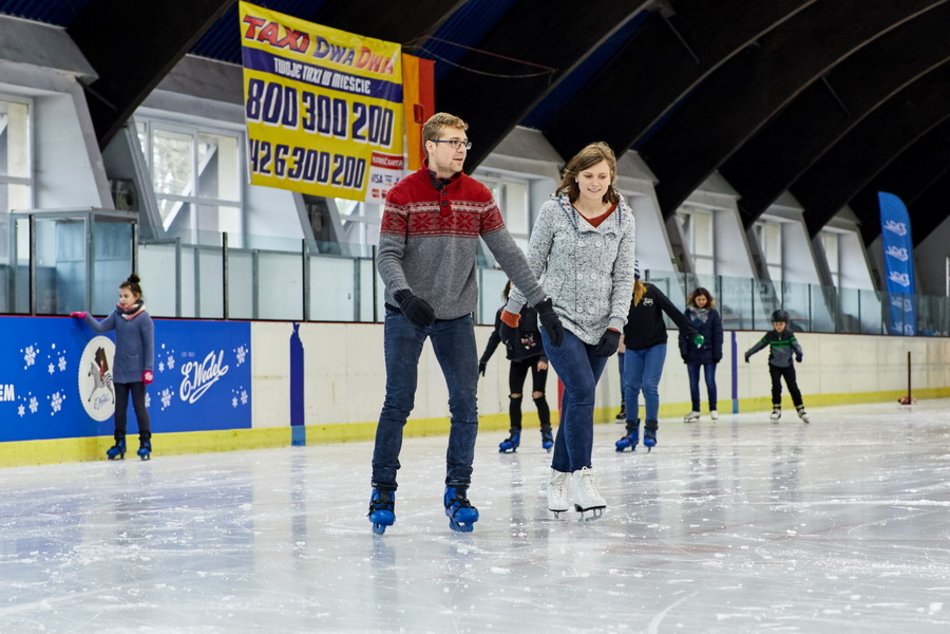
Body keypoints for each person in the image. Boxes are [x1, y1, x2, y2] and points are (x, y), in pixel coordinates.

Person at [369, 112, 564, 535]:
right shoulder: (403, 194)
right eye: (453, 142)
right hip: (406, 313)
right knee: (398, 401)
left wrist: (542, 304)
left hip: (455, 315)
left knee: (465, 404)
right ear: (431, 146)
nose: (461, 149)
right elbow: (386, 255)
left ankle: (457, 491)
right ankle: (382, 491)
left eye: (464, 142)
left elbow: (510, 254)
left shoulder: (477, 195)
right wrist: (405, 296)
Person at [503, 141, 636, 519]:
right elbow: (532, 264)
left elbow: (624, 275)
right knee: (580, 391)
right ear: (574, 175)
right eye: (588, 175)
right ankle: (583, 475)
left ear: (611, 178)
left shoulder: (623, 217)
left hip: (602, 326)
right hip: (558, 320)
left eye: (602, 176)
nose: (595, 183)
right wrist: (512, 312)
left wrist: (616, 324)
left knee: (579, 401)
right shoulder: (554, 212)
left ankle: (557, 477)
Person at [615, 265, 703, 453]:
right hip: (633, 347)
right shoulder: (618, 299)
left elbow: (673, 312)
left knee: (649, 386)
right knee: (629, 388)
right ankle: (631, 433)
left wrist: (692, 333)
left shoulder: (650, 292)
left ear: (636, 277)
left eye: (629, 277)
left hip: (655, 345)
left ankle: (650, 431)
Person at [70, 274, 155, 460]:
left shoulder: (144, 319)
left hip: (138, 373)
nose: (122, 300)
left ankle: (145, 443)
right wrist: (86, 317)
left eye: (126, 296)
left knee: (139, 407)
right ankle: (119, 443)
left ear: (136, 296)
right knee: (120, 409)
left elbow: (149, 345)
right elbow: (100, 328)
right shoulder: (117, 315)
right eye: (120, 296)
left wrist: (148, 369)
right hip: (120, 371)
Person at [478, 281, 553, 454]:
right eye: (512, 286)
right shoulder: (504, 312)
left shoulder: (535, 310)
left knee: (538, 394)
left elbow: (546, 334)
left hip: (537, 357)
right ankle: (514, 436)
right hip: (517, 359)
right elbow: (496, 336)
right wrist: (484, 360)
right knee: (515, 396)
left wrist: (544, 357)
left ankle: (547, 433)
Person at [744, 308, 809, 422]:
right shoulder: (770, 335)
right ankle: (776, 409)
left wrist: (799, 354)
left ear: (785, 324)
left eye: (781, 324)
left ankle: (800, 409)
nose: (778, 326)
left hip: (788, 365)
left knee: (793, 387)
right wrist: (749, 353)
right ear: (773, 324)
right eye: (776, 324)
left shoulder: (789, 335)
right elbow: (759, 345)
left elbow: (796, 345)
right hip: (774, 365)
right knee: (776, 386)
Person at [680, 287, 724, 422]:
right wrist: (684, 352)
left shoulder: (713, 314)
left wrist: (717, 353)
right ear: (694, 299)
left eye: (704, 299)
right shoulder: (687, 314)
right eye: (698, 299)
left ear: (708, 300)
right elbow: (682, 334)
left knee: (710, 381)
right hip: (692, 355)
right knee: (693, 383)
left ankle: (713, 409)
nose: (701, 302)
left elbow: (718, 334)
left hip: (709, 354)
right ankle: (696, 409)